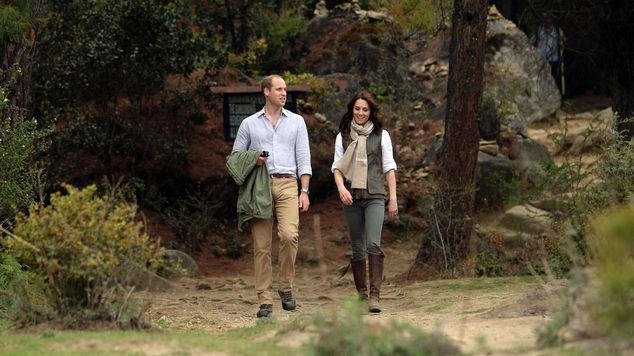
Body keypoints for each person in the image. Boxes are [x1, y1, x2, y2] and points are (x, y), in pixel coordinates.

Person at [231, 74, 312, 318]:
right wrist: (253, 160)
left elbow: (304, 159)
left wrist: (305, 191)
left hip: (288, 184)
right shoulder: (249, 124)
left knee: (289, 236)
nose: (283, 93)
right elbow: (235, 157)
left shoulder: (297, 122)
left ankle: (285, 287)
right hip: (259, 186)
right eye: (279, 89)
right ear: (266, 92)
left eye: (285, 89)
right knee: (261, 246)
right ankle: (264, 299)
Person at [332, 91, 397, 313]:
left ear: (371, 112)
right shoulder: (342, 136)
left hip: (375, 196)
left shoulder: (381, 135)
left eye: (365, 109)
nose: (361, 113)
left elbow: (388, 167)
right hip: (351, 197)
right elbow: (337, 167)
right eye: (357, 109)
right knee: (357, 247)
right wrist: (341, 188)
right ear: (352, 109)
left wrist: (393, 198)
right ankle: (362, 295)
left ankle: (375, 297)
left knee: (373, 244)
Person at [530, 15, 565, 91]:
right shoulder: (538, 30)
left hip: (553, 60)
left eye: (549, 18)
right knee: (542, 79)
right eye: (546, 18)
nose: (547, 20)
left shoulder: (557, 30)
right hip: (541, 60)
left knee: (554, 80)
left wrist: (562, 42)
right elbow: (531, 42)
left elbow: (563, 41)